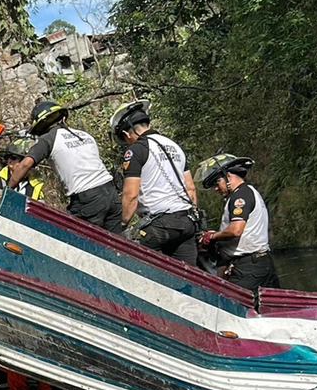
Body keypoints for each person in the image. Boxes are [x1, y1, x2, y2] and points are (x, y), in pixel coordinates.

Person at [112, 100, 200, 265]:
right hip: (187, 222)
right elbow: (191, 189)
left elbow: (131, 195)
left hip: (160, 225)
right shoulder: (175, 147)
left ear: (127, 133)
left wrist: (122, 224)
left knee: (125, 259)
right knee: (187, 277)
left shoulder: (136, 150)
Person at [7, 100, 118, 229]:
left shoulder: (48, 139)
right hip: (111, 193)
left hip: (87, 200)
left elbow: (25, 164)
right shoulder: (85, 135)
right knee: (117, 245)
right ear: (63, 118)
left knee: (73, 241)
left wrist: (8, 190)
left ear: (40, 126)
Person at [195, 154, 281, 290]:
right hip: (259, 261)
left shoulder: (240, 196)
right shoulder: (247, 192)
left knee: (230, 305)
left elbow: (236, 230)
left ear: (228, 176)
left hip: (249, 267)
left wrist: (211, 236)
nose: (215, 188)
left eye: (217, 182)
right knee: (270, 307)